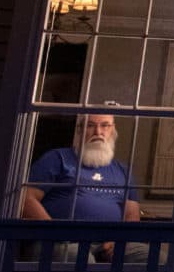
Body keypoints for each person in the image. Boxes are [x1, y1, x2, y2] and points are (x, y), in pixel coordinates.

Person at [19, 113, 143, 264]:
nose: (98, 132)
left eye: (104, 125)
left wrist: (120, 240)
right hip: (60, 242)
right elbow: (26, 199)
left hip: (110, 244)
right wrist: (54, 232)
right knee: (81, 260)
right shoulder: (57, 158)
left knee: (155, 259)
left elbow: (132, 215)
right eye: (90, 125)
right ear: (80, 130)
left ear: (113, 130)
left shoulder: (123, 171)